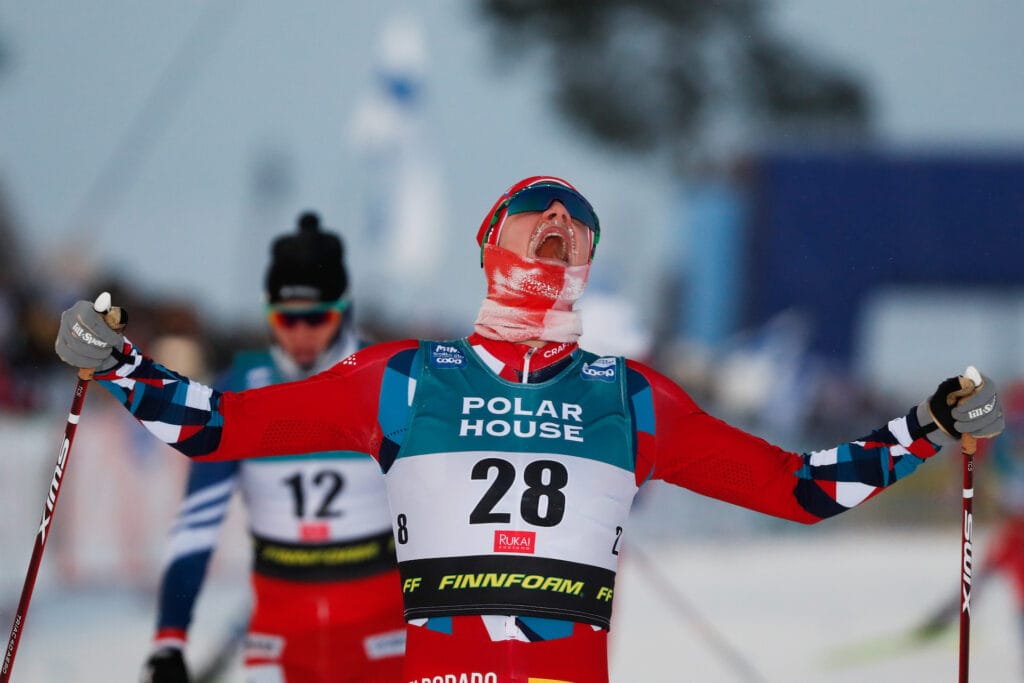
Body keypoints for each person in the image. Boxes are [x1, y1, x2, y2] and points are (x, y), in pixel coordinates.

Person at [56, 176, 1005, 683]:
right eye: (533, 215)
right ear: (487, 246)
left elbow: (799, 490)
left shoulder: (628, 395)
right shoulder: (403, 377)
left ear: (590, 261)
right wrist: (118, 364)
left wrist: (927, 424)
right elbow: (218, 429)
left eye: (577, 225)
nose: (558, 222)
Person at [139, 212, 406, 683]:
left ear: (343, 310)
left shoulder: (391, 382)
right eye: (285, 319)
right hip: (280, 636)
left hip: (380, 632)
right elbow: (197, 524)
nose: (300, 335)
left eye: (316, 318)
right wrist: (169, 641)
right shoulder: (241, 386)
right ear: (267, 312)